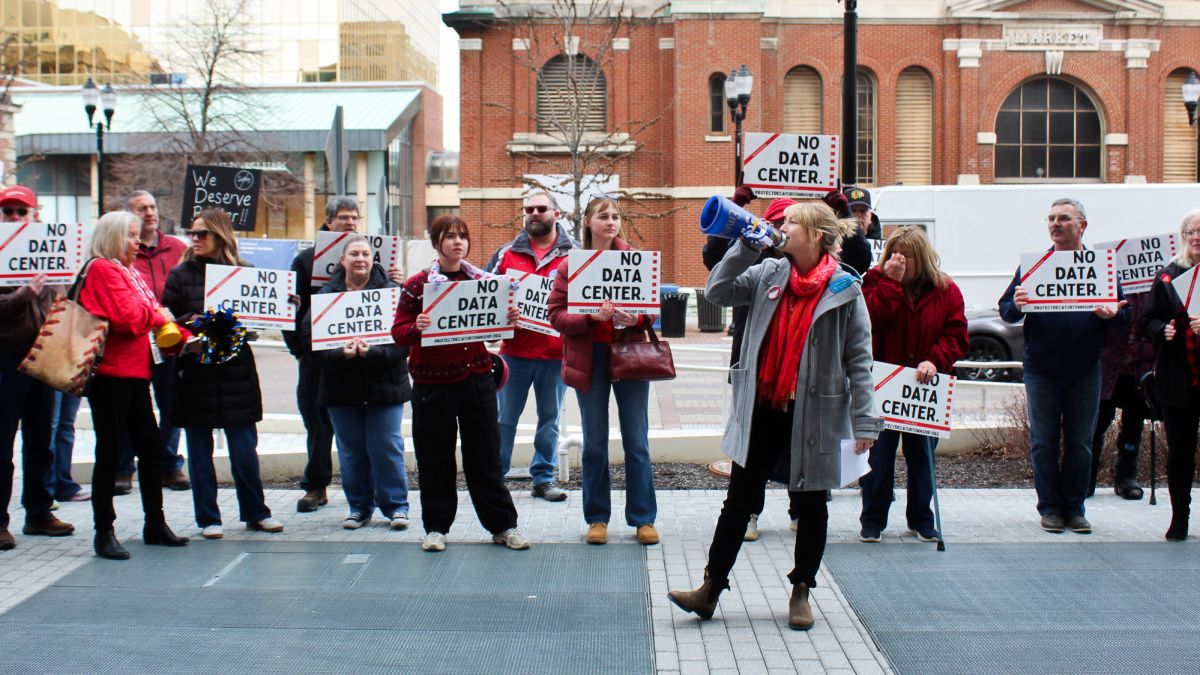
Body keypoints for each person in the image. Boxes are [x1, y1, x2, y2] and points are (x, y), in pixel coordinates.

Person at [668, 202, 879, 631]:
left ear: (817, 234)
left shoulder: (844, 287)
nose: (780, 229)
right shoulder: (768, 273)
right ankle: (710, 589)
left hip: (814, 410)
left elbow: (859, 358)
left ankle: (802, 589)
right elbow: (717, 292)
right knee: (739, 500)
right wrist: (744, 248)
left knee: (811, 502)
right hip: (763, 404)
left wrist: (865, 420)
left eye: (790, 223)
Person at [392, 215, 529, 552]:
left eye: (462, 237)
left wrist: (509, 318)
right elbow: (398, 333)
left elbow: (498, 331)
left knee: (485, 458)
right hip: (432, 386)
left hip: (476, 381)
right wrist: (417, 327)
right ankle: (436, 528)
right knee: (435, 458)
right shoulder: (417, 285)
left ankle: (503, 525)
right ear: (436, 242)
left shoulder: (484, 282)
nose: (457, 242)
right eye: (449, 236)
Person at [999, 198, 1128, 535]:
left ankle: (1075, 508)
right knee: (1043, 442)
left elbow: (1124, 315)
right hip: (1042, 369)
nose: (1055, 224)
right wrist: (1017, 303)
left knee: (1080, 442)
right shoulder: (1035, 265)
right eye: (1051, 218)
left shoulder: (1101, 267)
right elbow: (1007, 311)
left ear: (1082, 225)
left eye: (1064, 219)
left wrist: (1113, 315)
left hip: (1085, 370)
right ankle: (1050, 508)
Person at [162, 208, 283, 539]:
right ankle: (208, 518)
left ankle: (256, 512)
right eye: (193, 233)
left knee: (244, 448)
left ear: (221, 235)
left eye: (202, 233)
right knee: (199, 450)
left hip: (235, 371)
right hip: (196, 372)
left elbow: (262, 316)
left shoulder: (244, 272)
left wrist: (285, 305)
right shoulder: (180, 274)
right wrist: (199, 321)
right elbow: (165, 321)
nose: (195, 239)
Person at [547, 197, 660, 546]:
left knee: (636, 441)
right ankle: (596, 518)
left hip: (628, 356)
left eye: (615, 216)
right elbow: (556, 316)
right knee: (594, 442)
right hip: (590, 358)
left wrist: (635, 318)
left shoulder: (636, 259)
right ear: (588, 222)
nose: (611, 221)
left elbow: (651, 312)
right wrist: (590, 319)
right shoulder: (571, 265)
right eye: (603, 216)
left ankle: (643, 518)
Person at [78, 210, 189, 559]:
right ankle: (103, 531)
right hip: (111, 376)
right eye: (129, 235)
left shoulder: (125, 271)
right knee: (110, 454)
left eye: (137, 235)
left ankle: (154, 523)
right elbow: (129, 319)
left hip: (134, 373)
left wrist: (183, 333)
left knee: (152, 451)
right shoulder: (102, 268)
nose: (137, 242)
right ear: (112, 237)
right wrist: (159, 317)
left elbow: (147, 314)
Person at [858, 226, 968, 542]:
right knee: (878, 458)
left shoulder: (946, 290)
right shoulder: (875, 283)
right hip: (883, 385)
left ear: (922, 258)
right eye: (894, 255)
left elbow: (956, 333)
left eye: (906, 257)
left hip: (924, 388)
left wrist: (935, 359)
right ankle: (873, 519)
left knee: (923, 457)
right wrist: (890, 283)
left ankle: (921, 517)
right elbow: (867, 322)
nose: (900, 261)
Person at [303, 235, 412, 530]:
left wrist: (374, 353)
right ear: (343, 260)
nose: (360, 259)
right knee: (351, 450)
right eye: (354, 254)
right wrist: (340, 354)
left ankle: (396, 507)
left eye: (365, 253)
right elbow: (309, 343)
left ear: (373, 259)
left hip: (385, 386)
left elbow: (405, 341)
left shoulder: (392, 293)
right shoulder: (326, 297)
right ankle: (359, 508)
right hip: (341, 389)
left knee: (386, 446)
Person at [284, 197, 382, 513]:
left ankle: (374, 488)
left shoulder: (372, 260)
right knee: (317, 424)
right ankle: (316, 485)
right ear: (328, 222)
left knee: (364, 427)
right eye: (343, 218)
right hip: (318, 359)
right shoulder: (304, 260)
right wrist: (301, 350)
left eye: (355, 218)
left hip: (359, 358)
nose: (350, 223)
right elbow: (290, 308)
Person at [485, 191, 575, 500]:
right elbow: (487, 298)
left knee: (549, 420)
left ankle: (543, 478)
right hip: (514, 355)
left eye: (541, 208)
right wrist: (502, 315)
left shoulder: (575, 254)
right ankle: (496, 476)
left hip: (555, 354)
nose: (534, 213)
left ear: (556, 214)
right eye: (529, 209)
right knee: (503, 419)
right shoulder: (505, 254)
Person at [0, 185, 75, 551]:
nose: (14, 218)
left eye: (21, 212)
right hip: (5, 358)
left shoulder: (53, 254)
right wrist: (20, 296)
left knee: (40, 439)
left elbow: (66, 302)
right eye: (8, 212)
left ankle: (39, 511)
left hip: (42, 357)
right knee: (2, 443)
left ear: (34, 215)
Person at [117, 190, 190, 494]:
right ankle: (123, 468)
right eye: (141, 208)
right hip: (133, 339)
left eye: (152, 207)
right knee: (129, 405)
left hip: (168, 337)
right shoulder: (122, 251)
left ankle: (168, 464)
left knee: (171, 403)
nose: (149, 212)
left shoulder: (177, 248)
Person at [1139, 208, 1200, 541]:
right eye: (1190, 231)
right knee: (1180, 451)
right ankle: (1181, 518)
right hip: (1179, 382)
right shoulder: (1167, 278)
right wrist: (1162, 330)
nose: (1196, 237)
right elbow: (1146, 322)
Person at [1090, 290, 1153, 500]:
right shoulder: (1111, 275)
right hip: (1108, 364)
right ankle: (1086, 478)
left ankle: (1126, 477)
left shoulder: (1155, 281)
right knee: (1097, 422)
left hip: (1138, 367)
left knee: (1134, 425)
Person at [47, 392, 89, 503]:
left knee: (66, 424)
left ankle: (64, 485)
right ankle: (45, 490)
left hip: (72, 375)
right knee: (50, 424)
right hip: (48, 377)